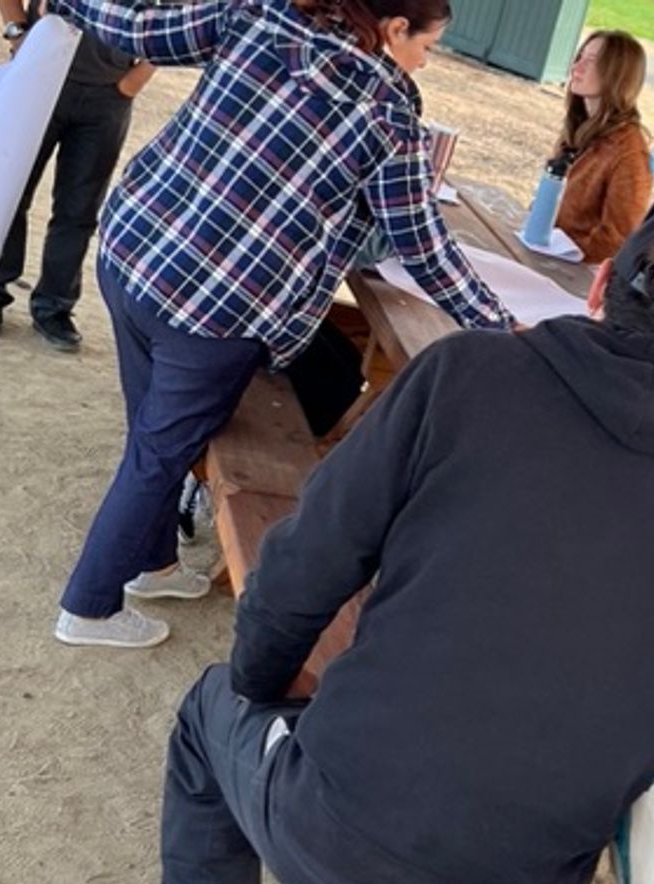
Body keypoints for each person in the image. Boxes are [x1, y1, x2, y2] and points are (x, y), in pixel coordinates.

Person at [160, 208, 654, 884]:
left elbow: (305, 563)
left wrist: (260, 684)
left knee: (213, 706)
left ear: (602, 282)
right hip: (524, 876)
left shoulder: (466, 369)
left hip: (344, 820)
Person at [45, 0, 515, 649]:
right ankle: (89, 607)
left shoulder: (259, 13)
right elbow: (423, 245)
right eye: (428, 45)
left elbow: (137, 27)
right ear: (395, 28)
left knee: (151, 432)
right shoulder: (387, 106)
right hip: (219, 304)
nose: (425, 60)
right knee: (159, 450)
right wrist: (500, 326)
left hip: (135, 248)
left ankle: (151, 564)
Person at [0, 1, 158, 351]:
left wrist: (134, 81)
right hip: (40, 73)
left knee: (80, 207)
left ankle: (55, 305)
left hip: (108, 98)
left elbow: (179, 16)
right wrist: (17, 34)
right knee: (11, 189)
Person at [551, 30, 651, 263]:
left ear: (618, 75)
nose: (578, 67)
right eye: (580, 57)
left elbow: (617, 240)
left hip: (575, 273)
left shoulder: (629, 151)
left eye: (592, 61)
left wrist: (562, 252)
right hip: (547, 253)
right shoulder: (578, 127)